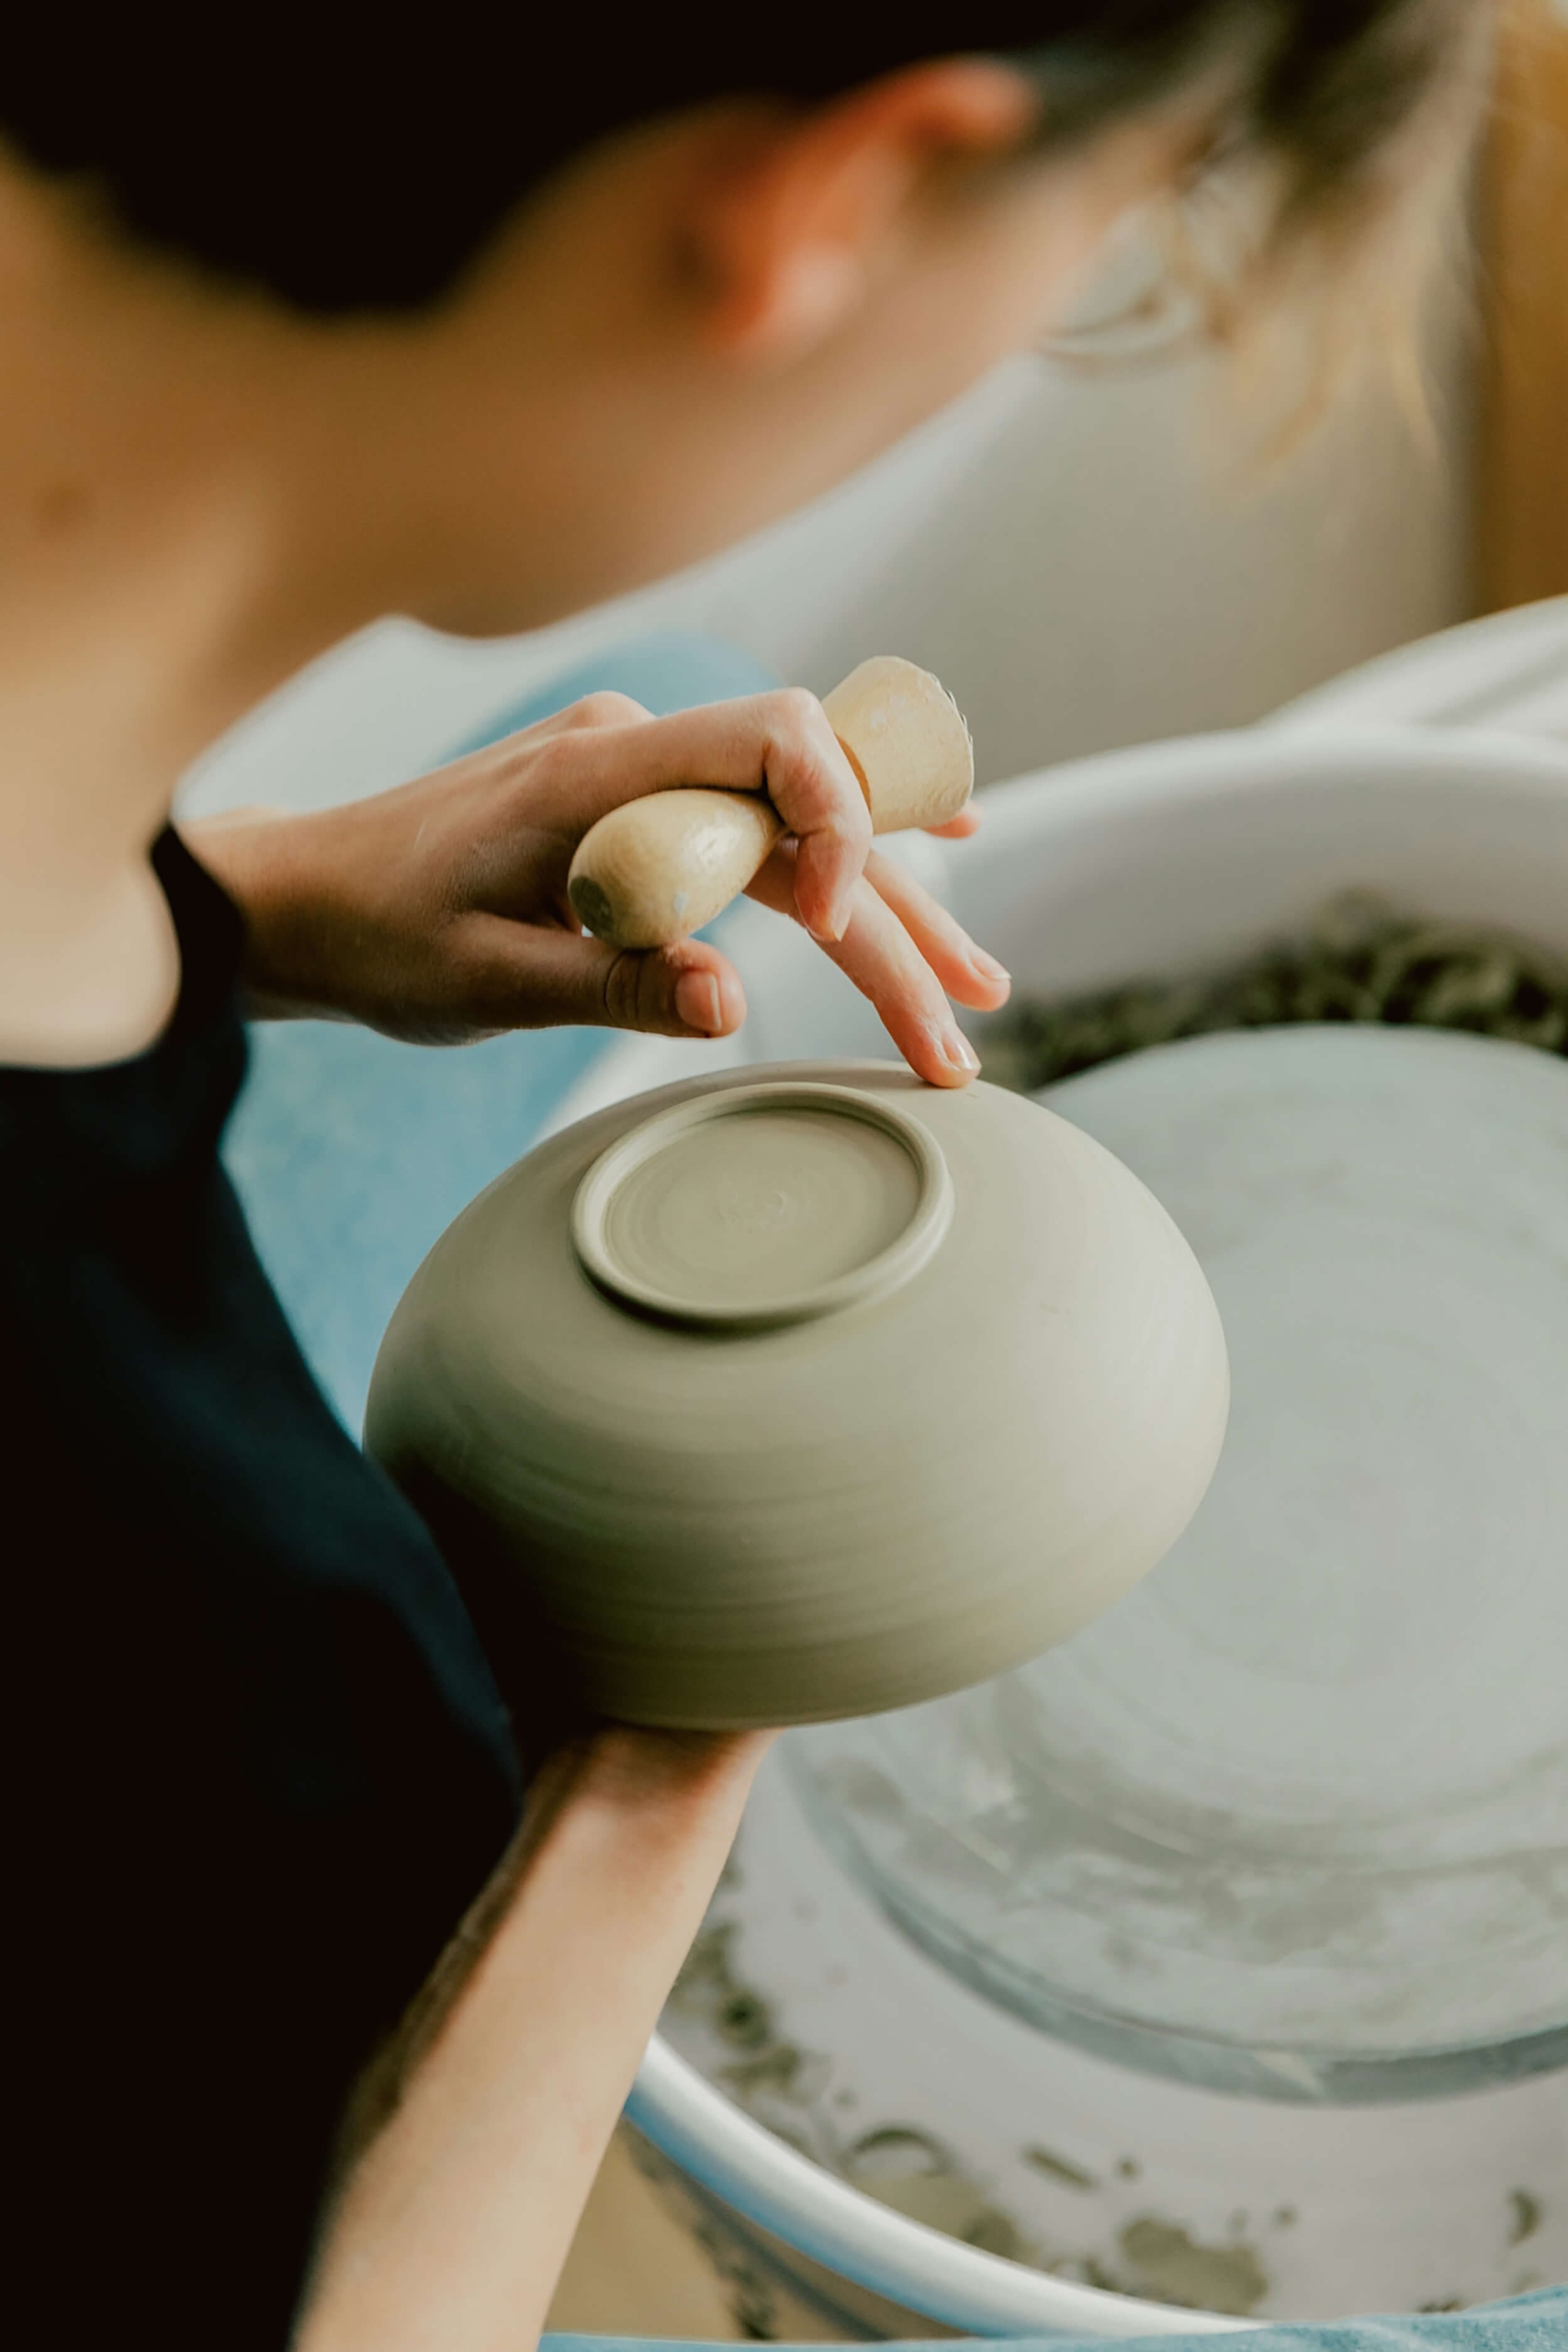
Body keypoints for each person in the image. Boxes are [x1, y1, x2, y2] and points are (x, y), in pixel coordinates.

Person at [0, 7, 1492, 2346]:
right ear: (840, 194)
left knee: (672, 672)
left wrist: (263, 901)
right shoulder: (192, 1639)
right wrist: (674, 1704)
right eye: (1100, 246)